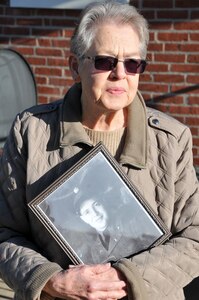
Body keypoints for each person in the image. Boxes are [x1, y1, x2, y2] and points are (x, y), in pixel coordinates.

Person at [0, 1, 198, 300]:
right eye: (105, 62)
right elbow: (4, 232)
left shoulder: (171, 139)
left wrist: (124, 278)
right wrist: (51, 280)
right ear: (75, 66)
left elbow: (194, 236)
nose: (120, 74)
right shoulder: (31, 132)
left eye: (133, 63)